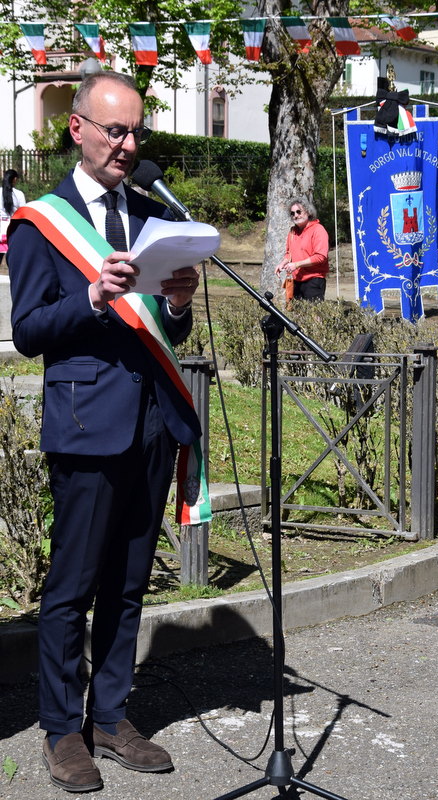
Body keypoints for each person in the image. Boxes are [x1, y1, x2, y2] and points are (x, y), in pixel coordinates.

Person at [8, 72, 201, 793]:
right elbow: (29, 331)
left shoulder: (152, 215)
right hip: (87, 425)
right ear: (78, 129)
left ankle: (112, 715)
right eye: (115, 130)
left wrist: (176, 304)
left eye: (135, 132)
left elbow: (166, 330)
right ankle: (63, 729)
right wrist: (91, 295)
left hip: (151, 422)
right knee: (73, 586)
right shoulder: (41, 223)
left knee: (127, 582)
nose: (127, 145)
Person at [275, 197, 329, 301]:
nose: (296, 215)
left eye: (299, 212)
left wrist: (296, 265)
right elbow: (289, 253)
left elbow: (320, 257)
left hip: (314, 281)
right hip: (296, 282)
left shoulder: (318, 230)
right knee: (296, 311)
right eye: (292, 213)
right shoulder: (292, 232)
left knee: (312, 312)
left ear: (308, 212)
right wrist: (282, 264)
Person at [0, 169, 25, 265]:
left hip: (1, 227)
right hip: (12, 228)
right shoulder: (19, 194)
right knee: (14, 261)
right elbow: (23, 212)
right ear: (14, 179)